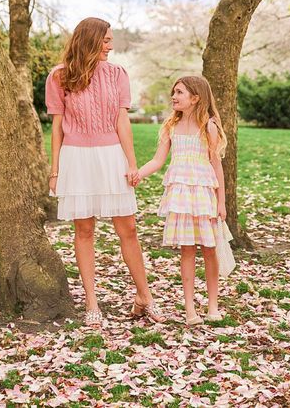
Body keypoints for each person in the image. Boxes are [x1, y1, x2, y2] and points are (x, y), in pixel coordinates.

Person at [46, 17, 164, 327]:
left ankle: (144, 297)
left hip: (111, 157)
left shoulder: (117, 74)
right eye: (106, 41)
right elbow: (57, 128)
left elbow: (122, 121)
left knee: (129, 229)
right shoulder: (59, 77)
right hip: (76, 159)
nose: (110, 47)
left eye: (111, 41)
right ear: (89, 40)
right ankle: (92, 303)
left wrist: (131, 162)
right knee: (84, 232)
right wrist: (55, 170)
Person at [138, 76, 227, 326]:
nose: (173, 97)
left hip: (203, 194)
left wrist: (222, 202)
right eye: (173, 92)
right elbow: (157, 161)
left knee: (209, 250)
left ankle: (212, 306)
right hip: (181, 196)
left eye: (179, 92)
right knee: (187, 250)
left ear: (195, 98)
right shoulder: (170, 127)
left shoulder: (208, 126)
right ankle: (190, 309)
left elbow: (216, 165)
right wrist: (137, 174)